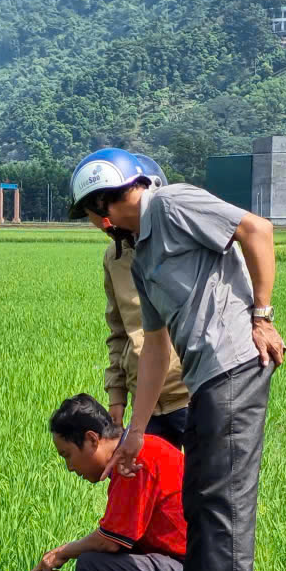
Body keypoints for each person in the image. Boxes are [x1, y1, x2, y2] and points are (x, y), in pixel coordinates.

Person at [68, 148, 285, 571]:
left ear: (107, 203)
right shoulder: (141, 259)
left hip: (234, 364)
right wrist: (135, 432)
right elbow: (155, 349)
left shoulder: (171, 203)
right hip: (204, 379)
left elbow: (257, 230)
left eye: (94, 211)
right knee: (201, 502)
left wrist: (262, 316)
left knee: (223, 505)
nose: (96, 223)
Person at [26, 394, 188, 571]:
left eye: (67, 455)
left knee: (91, 567)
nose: (69, 467)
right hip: (195, 567)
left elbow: (109, 541)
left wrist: (62, 552)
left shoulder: (133, 462)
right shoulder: (139, 452)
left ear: (92, 439)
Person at [102, 153, 191, 448]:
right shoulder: (114, 257)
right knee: (144, 475)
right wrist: (116, 395)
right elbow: (118, 330)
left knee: (203, 476)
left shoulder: (179, 243)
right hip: (146, 404)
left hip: (189, 395)